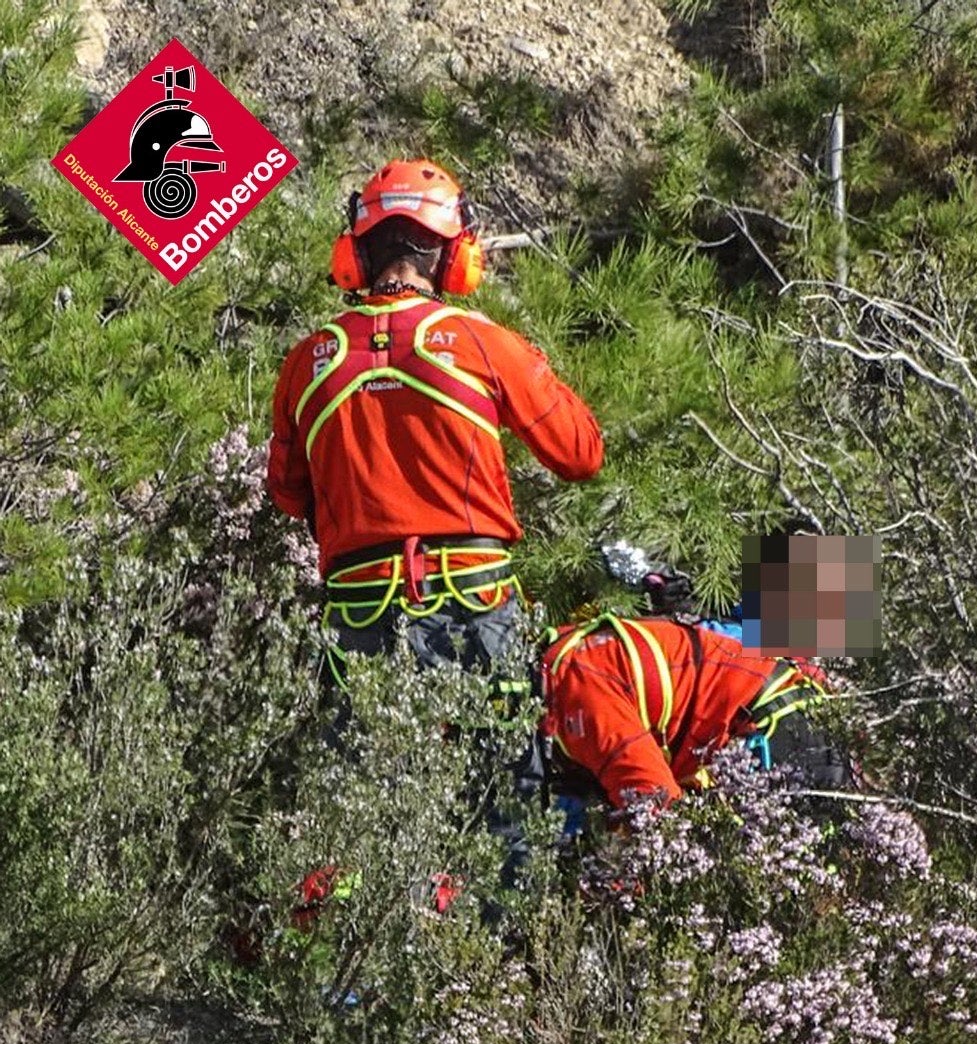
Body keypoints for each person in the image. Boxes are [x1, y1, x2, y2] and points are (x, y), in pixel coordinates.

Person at [266, 160, 603, 890]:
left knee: (357, 814)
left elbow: (286, 494)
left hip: (359, 616)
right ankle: (499, 953)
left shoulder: (305, 362)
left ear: (357, 253)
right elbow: (582, 454)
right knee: (501, 806)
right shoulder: (482, 342)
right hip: (475, 605)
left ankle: (354, 952)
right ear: (454, 253)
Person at [537, 611, 851, 812]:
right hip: (757, 719)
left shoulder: (578, 701)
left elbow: (656, 803)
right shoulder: (560, 660)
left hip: (775, 721)